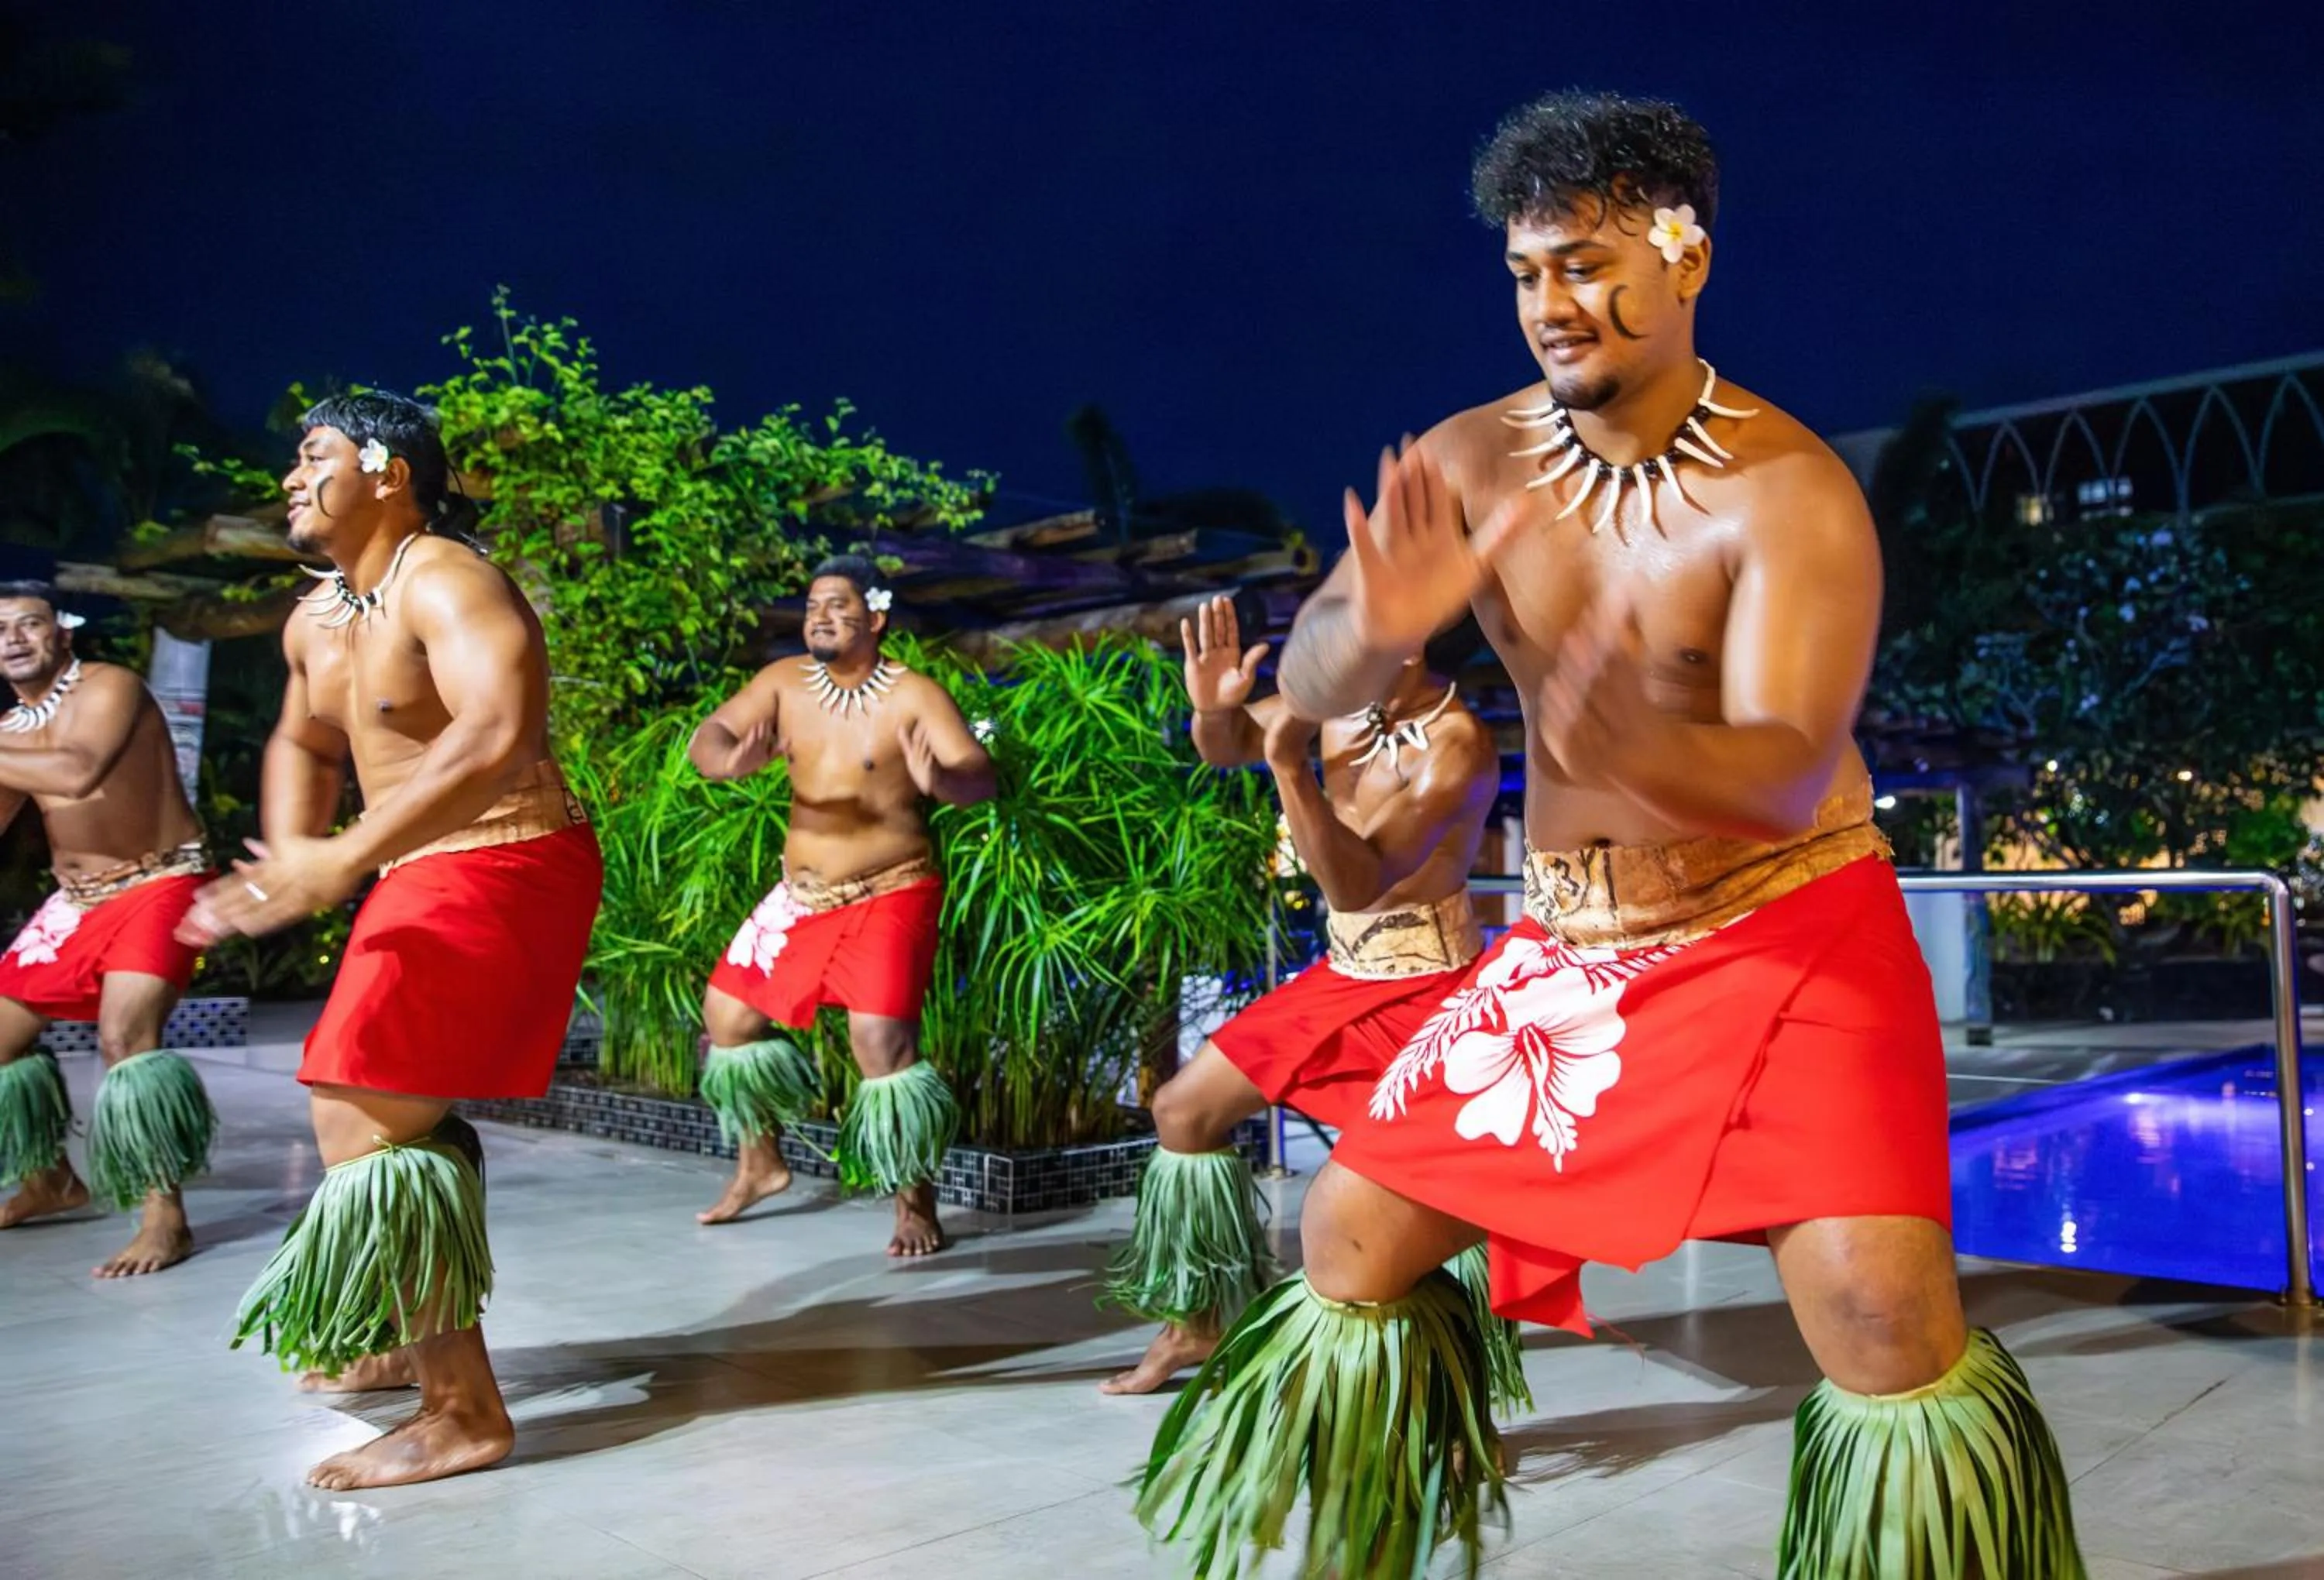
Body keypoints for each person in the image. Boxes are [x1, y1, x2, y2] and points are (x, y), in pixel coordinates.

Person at [1137, 92, 2084, 1578]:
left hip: (1793, 928)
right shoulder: (1468, 458)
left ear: (1686, 251)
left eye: (1584, 263)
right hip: (1574, 947)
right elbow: (1313, 668)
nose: (1551, 305)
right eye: (1525, 274)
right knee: (1349, 1234)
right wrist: (1363, 631)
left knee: (1888, 1329)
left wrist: (1630, 737)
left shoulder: (1790, 493)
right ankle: (1383, 1537)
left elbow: (1781, 771)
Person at [179, 391, 603, 1489]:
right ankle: (396, 1336)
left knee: (355, 1097)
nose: (288, 477)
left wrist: (345, 856)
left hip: (507, 854)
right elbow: (302, 740)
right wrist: (294, 854)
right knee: (393, 1097)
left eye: (311, 454)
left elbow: (499, 736)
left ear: (388, 470)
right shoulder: (316, 620)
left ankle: (462, 1412)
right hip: (419, 864)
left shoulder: (446, 578)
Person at [1097, 594, 1523, 1412]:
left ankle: (1454, 1397)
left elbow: (1354, 879)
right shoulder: (1332, 702)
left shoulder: (1457, 748)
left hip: (1431, 988)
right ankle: (1198, 1322)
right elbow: (1227, 750)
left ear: (1402, 651)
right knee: (1183, 1111)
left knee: (1429, 1193)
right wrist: (1210, 707)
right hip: (1344, 972)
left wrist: (1292, 767)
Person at [687, 554, 994, 1257]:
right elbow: (712, 735)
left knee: (880, 1045)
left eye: (838, 606)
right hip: (803, 894)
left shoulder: (914, 696)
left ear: (876, 619)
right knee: (726, 1016)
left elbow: (979, 777)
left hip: (892, 889)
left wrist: (941, 776)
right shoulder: (782, 683)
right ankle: (760, 1164)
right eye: (813, 606)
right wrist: (729, 759)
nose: (819, 617)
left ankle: (915, 1203)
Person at [0, 582, 216, 1277]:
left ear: (61, 634)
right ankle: (50, 1179)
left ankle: (166, 1217)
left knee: (126, 1037)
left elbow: (76, 770)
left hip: (161, 882)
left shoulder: (107, 687)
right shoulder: (8, 733)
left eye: (28, 624)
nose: (12, 639)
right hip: (78, 901)